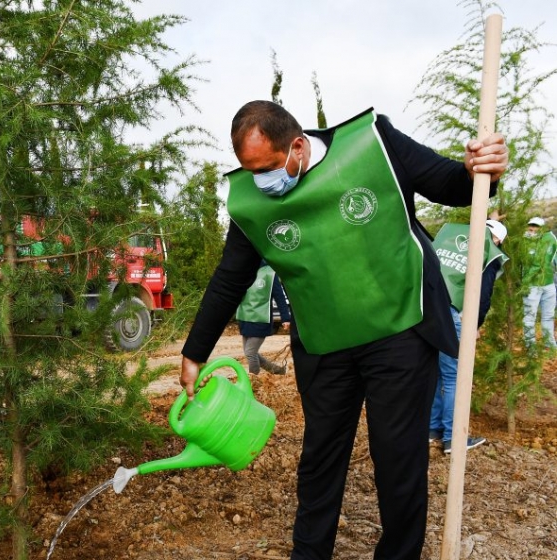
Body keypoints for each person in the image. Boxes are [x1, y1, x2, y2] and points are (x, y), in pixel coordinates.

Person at [179, 100, 508, 560]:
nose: (262, 182)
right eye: (250, 172)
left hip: (400, 330)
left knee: (398, 461)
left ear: (296, 146)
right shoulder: (253, 203)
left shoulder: (373, 145)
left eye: (269, 167)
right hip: (325, 343)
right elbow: (229, 277)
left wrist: (483, 170)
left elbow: (452, 184)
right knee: (320, 461)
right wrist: (194, 352)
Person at [430, 219, 509, 454]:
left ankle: (432, 430)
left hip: (426, 311)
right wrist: (475, 324)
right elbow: (482, 296)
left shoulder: (449, 239)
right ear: (497, 239)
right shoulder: (489, 251)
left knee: (437, 372)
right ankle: (453, 439)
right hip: (452, 313)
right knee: (454, 375)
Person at [236, 262, 290, 374]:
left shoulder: (270, 273)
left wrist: (285, 318)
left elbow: (279, 296)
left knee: (250, 353)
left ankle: (254, 381)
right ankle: (278, 371)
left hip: (261, 319)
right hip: (245, 318)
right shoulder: (244, 269)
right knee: (250, 353)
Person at [521, 216, 557, 350]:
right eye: (531, 225)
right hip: (531, 286)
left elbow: (553, 258)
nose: (532, 228)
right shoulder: (523, 241)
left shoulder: (550, 240)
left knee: (548, 316)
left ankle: (550, 345)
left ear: (542, 228)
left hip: (548, 284)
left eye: (536, 226)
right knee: (529, 317)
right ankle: (531, 348)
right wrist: (524, 283)